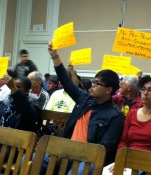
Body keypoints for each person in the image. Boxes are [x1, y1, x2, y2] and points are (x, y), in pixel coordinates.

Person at [45, 41, 124, 173]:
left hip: (88, 159)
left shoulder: (115, 116)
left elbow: (103, 149)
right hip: (65, 150)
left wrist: (73, 155)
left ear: (108, 89)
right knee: (27, 161)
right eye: (93, 82)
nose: (92, 86)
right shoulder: (85, 99)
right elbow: (66, 81)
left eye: (96, 83)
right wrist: (55, 56)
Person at [106, 47, 151, 173]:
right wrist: (120, 160)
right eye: (143, 89)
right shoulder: (132, 113)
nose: (145, 92)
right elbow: (123, 141)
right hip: (128, 162)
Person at [0, 73, 42, 174]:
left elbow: (29, 114)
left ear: (27, 91)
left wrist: (14, 89)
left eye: (18, 87)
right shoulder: (5, 102)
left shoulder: (33, 105)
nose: (13, 89)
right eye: (12, 87)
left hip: (16, 146)